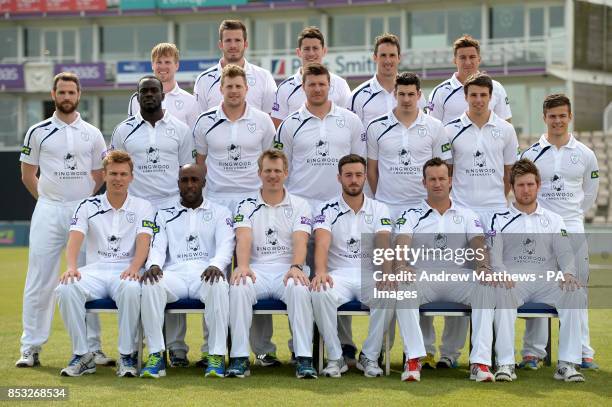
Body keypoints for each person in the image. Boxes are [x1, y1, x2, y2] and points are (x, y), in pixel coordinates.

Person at [16, 72, 112, 368]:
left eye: (72, 92)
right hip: (48, 209)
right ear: (53, 94)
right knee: (39, 279)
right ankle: (30, 347)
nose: (67, 97)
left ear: (79, 94)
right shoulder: (37, 130)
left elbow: (99, 174)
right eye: (62, 92)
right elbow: (27, 174)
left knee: (87, 279)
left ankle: (92, 347)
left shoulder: (93, 133)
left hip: (83, 212)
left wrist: (81, 200)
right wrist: (48, 200)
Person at [275, 63, 366, 364]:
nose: (317, 89)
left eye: (321, 84)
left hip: (338, 211)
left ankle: (344, 345)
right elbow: (283, 171)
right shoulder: (289, 124)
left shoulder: (350, 121)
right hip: (300, 211)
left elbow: (357, 164)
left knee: (335, 278)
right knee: (300, 280)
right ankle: (298, 344)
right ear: (304, 87)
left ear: (330, 86)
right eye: (311, 84)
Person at [426, 72, 517, 369]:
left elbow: (508, 175)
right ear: (465, 97)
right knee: (459, 277)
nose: (478, 100)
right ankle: (450, 354)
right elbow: (447, 173)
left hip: (493, 214)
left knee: (493, 280)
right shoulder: (450, 129)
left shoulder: (504, 130)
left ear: (491, 97)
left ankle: (491, 353)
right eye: (473, 95)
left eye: (483, 95)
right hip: (461, 213)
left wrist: (496, 204)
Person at [111, 75, 194, 366]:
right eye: (144, 90)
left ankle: (177, 347)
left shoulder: (181, 130)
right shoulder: (123, 130)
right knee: (136, 277)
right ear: (137, 96)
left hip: (172, 209)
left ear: (162, 94)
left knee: (170, 274)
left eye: (153, 90)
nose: (149, 94)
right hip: (137, 212)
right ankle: (135, 346)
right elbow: (117, 169)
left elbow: (187, 171)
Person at [392, 157, 496, 382]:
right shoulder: (410, 214)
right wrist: (400, 265)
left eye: (441, 179)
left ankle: (480, 363)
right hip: (422, 276)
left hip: (456, 276)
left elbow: (478, 243)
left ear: (450, 182)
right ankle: (414, 360)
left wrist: (483, 266)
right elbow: (402, 241)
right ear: (424, 182)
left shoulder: (467, 214)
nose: (437, 183)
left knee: (486, 287)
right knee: (402, 287)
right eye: (432, 179)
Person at [55, 150, 155, 377]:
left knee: (131, 289)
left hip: (126, 270)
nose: (118, 179)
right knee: (65, 288)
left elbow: (144, 241)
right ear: (104, 175)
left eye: (123, 174)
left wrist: (135, 266)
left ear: (131, 177)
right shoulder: (87, 205)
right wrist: (71, 267)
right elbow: (75, 239)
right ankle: (83, 355)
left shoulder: (143, 206)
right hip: (96, 271)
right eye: (113, 174)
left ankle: (126, 356)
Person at [519, 94, 600, 370]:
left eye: (562, 115)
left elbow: (589, 194)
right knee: (537, 289)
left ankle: (582, 351)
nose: (557, 120)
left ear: (570, 117)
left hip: (573, 231)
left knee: (576, 291)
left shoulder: (585, 155)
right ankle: (533, 352)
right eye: (552, 116)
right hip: (540, 231)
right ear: (544, 118)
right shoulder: (530, 154)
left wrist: (569, 218)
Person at [489, 158, 587, 382]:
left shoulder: (554, 219)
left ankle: (566, 364)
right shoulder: (498, 219)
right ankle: (505, 363)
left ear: (539, 185)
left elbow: (564, 252)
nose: (526, 190)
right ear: (512, 187)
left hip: (546, 281)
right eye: (520, 185)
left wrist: (568, 273)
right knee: (502, 293)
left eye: (530, 184)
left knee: (575, 293)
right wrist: (502, 274)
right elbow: (494, 254)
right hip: (514, 280)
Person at [227, 150, 317, 379]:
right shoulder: (245, 204)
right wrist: (243, 265)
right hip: (256, 269)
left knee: (299, 288)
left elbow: (300, 239)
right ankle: (239, 358)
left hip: (287, 269)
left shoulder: (300, 204)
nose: (273, 175)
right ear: (259, 173)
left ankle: (304, 358)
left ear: (286, 173)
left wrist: (296, 266)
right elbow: (243, 237)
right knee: (238, 286)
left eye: (277, 171)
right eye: (268, 170)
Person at [139, 164, 234, 378]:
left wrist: (217, 265)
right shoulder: (164, 214)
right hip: (176, 275)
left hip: (206, 272)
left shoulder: (221, 212)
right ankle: (156, 355)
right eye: (185, 180)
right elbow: (157, 245)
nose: (190, 184)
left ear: (204, 183)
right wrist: (153, 264)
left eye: (195, 179)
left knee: (218, 284)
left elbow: (226, 245)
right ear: (178, 183)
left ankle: (216, 355)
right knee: (150, 283)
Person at [310, 154, 394, 377]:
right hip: (339, 275)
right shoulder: (325, 209)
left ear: (366, 177)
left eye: (358, 175)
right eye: (348, 175)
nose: (354, 180)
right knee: (319, 291)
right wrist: (320, 272)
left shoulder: (380, 208)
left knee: (390, 291)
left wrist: (386, 273)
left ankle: (370, 356)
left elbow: (383, 241)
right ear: (339, 178)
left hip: (368, 274)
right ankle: (336, 357)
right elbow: (322, 242)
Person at [366, 71, 449, 220]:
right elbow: (372, 171)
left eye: (411, 94)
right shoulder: (375, 126)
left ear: (419, 95)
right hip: (387, 207)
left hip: (423, 206)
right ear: (394, 94)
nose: (406, 99)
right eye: (401, 94)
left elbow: (441, 169)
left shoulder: (435, 126)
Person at [194, 64, 275, 211]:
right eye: (229, 86)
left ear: (246, 89)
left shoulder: (263, 120)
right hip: (216, 198)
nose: (234, 91)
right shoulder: (204, 120)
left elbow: (270, 159)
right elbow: (200, 162)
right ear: (221, 89)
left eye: (238, 86)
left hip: (254, 196)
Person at [271, 26, 351, 127]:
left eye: (315, 48)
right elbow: (278, 128)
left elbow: (349, 121)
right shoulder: (284, 88)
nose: (311, 53)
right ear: (299, 52)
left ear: (324, 51)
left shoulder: (340, 84)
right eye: (307, 49)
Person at [194, 19, 277, 114]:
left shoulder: (264, 77)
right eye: (228, 40)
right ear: (220, 45)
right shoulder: (204, 80)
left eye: (237, 40)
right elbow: (198, 120)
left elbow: (271, 118)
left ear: (246, 44)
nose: (233, 45)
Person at [428, 35, 512, 125]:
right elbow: (432, 129)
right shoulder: (439, 92)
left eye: (472, 57)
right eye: (462, 58)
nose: (468, 62)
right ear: (455, 60)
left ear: (479, 59)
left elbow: (505, 125)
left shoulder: (496, 88)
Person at [350, 33, 426, 126]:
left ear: (399, 58)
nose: (388, 61)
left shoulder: (416, 95)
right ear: (375, 57)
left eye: (392, 55)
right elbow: (352, 134)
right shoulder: (357, 97)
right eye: (383, 55)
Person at [128, 43, 199, 129]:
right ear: (152, 65)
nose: (163, 66)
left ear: (176, 65)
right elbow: (131, 132)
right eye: (159, 62)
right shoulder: (136, 99)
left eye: (167, 62)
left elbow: (194, 139)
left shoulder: (190, 101)